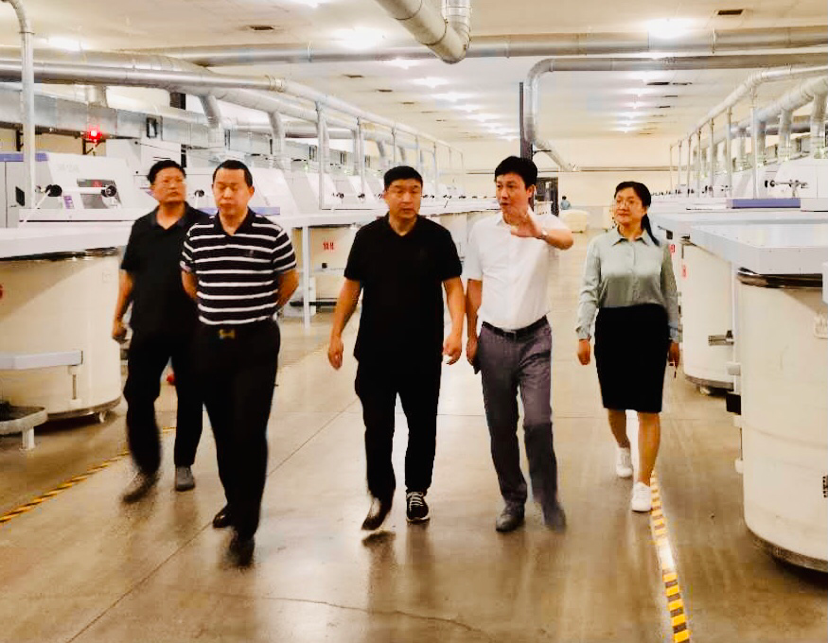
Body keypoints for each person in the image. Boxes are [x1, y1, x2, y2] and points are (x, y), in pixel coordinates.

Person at [327, 165, 464, 531]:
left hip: (422, 353)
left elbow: (453, 287)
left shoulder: (437, 238)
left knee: (422, 425)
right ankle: (381, 493)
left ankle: (416, 490)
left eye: (414, 191)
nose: (407, 198)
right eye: (399, 191)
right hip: (375, 354)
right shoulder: (367, 238)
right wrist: (335, 333)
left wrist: (457, 330)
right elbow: (351, 289)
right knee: (377, 426)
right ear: (385, 195)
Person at [181, 159, 298, 566]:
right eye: (220, 186)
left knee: (249, 431)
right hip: (211, 344)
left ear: (250, 191)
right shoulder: (197, 235)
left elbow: (288, 281)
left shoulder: (272, 234)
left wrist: (260, 310)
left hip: (256, 345)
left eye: (235, 186)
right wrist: (215, 308)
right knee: (224, 433)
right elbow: (189, 279)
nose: (227, 193)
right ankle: (235, 501)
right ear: (213, 190)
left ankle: (246, 527)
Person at [465, 156, 574, 533]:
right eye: (498, 186)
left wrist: (537, 232)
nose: (503, 193)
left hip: (535, 340)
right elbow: (473, 285)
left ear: (530, 190)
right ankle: (513, 500)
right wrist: (471, 336)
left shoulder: (547, 224)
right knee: (500, 426)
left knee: (538, 421)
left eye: (511, 186)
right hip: (493, 340)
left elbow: (568, 240)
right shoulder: (481, 231)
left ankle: (547, 498)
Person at [576, 181, 680, 513]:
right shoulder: (599, 245)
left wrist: (675, 336)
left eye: (630, 201)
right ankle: (623, 446)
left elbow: (670, 294)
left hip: (651, 328)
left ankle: (643, 482)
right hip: (613, 326)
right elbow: (589, 290)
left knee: (649, 408)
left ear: (644, 208)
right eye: (618, 200)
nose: (622, 206)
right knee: (615, 404)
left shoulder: (659, 247)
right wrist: (582, 333)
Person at [115, 159, 208, 503]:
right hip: (148, 326)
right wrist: (117, 316)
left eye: (179, 179)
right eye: (166, 180)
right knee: (138, 396)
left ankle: (184, 463)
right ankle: (147, 466)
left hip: (193, 327)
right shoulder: (141, 228)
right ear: (152, 189)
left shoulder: (202, 225)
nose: (173, 185)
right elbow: (130, 277)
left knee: (191, 397)